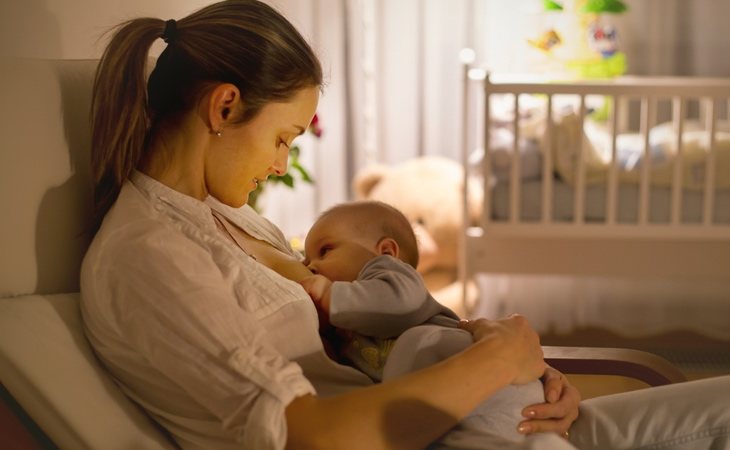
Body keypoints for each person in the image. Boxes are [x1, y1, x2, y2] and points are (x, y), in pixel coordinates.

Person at [79, 1, 730, 449]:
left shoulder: (236, 221)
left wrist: (512, 364)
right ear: (224, 106)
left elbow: (368, 335)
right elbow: (314, 438)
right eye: (283, 138)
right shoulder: (149, 256)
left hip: (467, 416)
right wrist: (500, 358)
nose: (281, 166)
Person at [299, 200, 546, 444]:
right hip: (465, 413)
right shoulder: (346, 323)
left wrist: (332, 296)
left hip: (486, 381)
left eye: (325, 251)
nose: (311, 266)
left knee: (416, 343)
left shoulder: (387, 271)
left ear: (386, 251)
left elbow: (399, 302)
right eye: (305, 261)